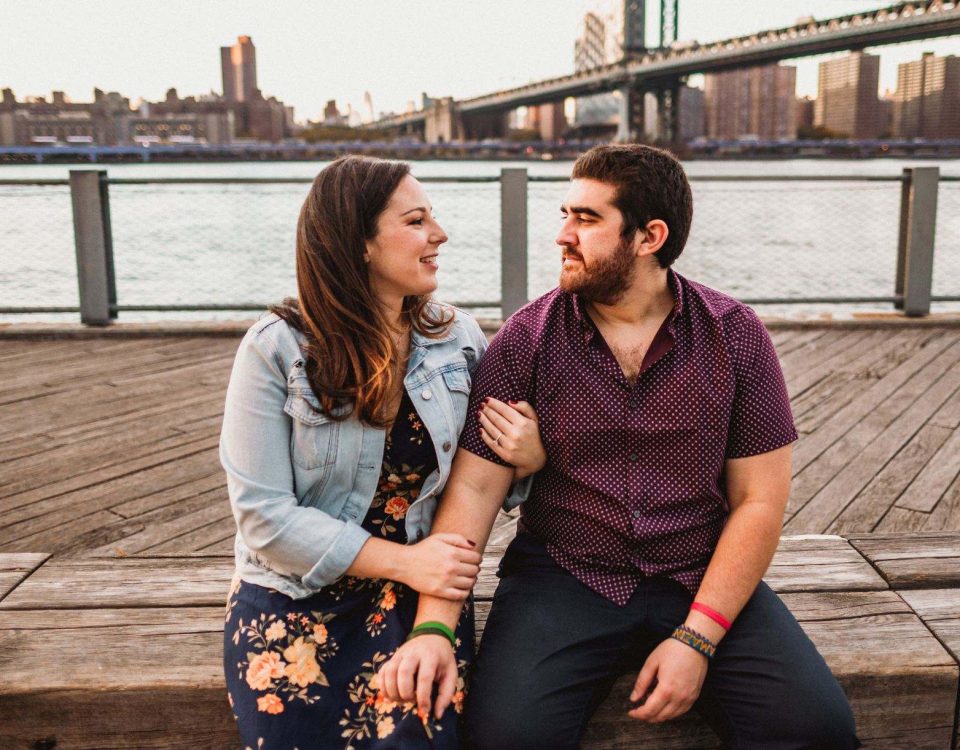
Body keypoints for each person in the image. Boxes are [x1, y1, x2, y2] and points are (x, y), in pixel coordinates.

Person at [378, 144, 860, 749]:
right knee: (507, 739)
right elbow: (474, 492)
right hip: (565, 574)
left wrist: (698, 638)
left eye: (586, 219)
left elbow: (760, 501)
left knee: (817, 730)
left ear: (649, 236)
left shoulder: (736, 336)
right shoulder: (525, 342)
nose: (562, 235)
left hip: (699, 571)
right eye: (565, 214)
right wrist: (433, 630)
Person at [219, 155, 546, 749]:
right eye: (417, 221)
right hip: (293, 601)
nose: (439, 234)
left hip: (420, 603)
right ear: (360, 244)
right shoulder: (276, 350)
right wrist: (404, 561)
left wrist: (527, 459)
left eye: (433, 219)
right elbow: (264, 518)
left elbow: (485, 484)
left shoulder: (459, 340)